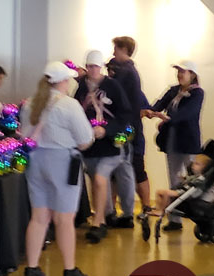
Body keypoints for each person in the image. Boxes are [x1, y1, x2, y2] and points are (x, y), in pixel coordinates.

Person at [20, 61, 94, 276]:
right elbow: (84, 140)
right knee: (64, 218)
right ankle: (69, 269)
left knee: (39, 217)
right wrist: (94, 134)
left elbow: (24, 134)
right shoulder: (69, 105)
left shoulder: (30, 104)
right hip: (62, 161)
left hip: (36, 161)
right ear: (63, 81)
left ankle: (32, 268)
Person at [74, 50, 133, 243]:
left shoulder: (112, 86)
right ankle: (102, 215)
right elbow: (76, 111)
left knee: (100, 179)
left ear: (101, 68)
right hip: (90, 144)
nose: (92, 70)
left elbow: (124, 114)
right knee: (96, 181)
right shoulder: (82, 87)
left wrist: (107, 131)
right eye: (89, 66)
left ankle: (98, 221)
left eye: (96, 67)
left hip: (110, 145)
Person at [145, 60, 204, 231]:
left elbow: (188, 114)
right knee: (174, 180)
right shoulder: (173, 90)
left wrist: (168, 120)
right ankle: (175, 219)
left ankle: (201, 216)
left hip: (188, 142)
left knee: (194, 181)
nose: (179, 74)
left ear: (192, 74)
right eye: (178, 71)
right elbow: (159, 104)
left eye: (183, 72)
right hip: (172, 141)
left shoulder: (197, 93)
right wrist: (150, 110)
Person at [106, 36, 153, 220]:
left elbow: (125, 98)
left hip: (128, 129)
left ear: (124, 49)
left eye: (116, 49)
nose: (113, 53)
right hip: (126, 128)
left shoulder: (127, 74)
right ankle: (111, 211)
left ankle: (143, 207)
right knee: (117, 171)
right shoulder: (125, 73)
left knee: (134, 167)